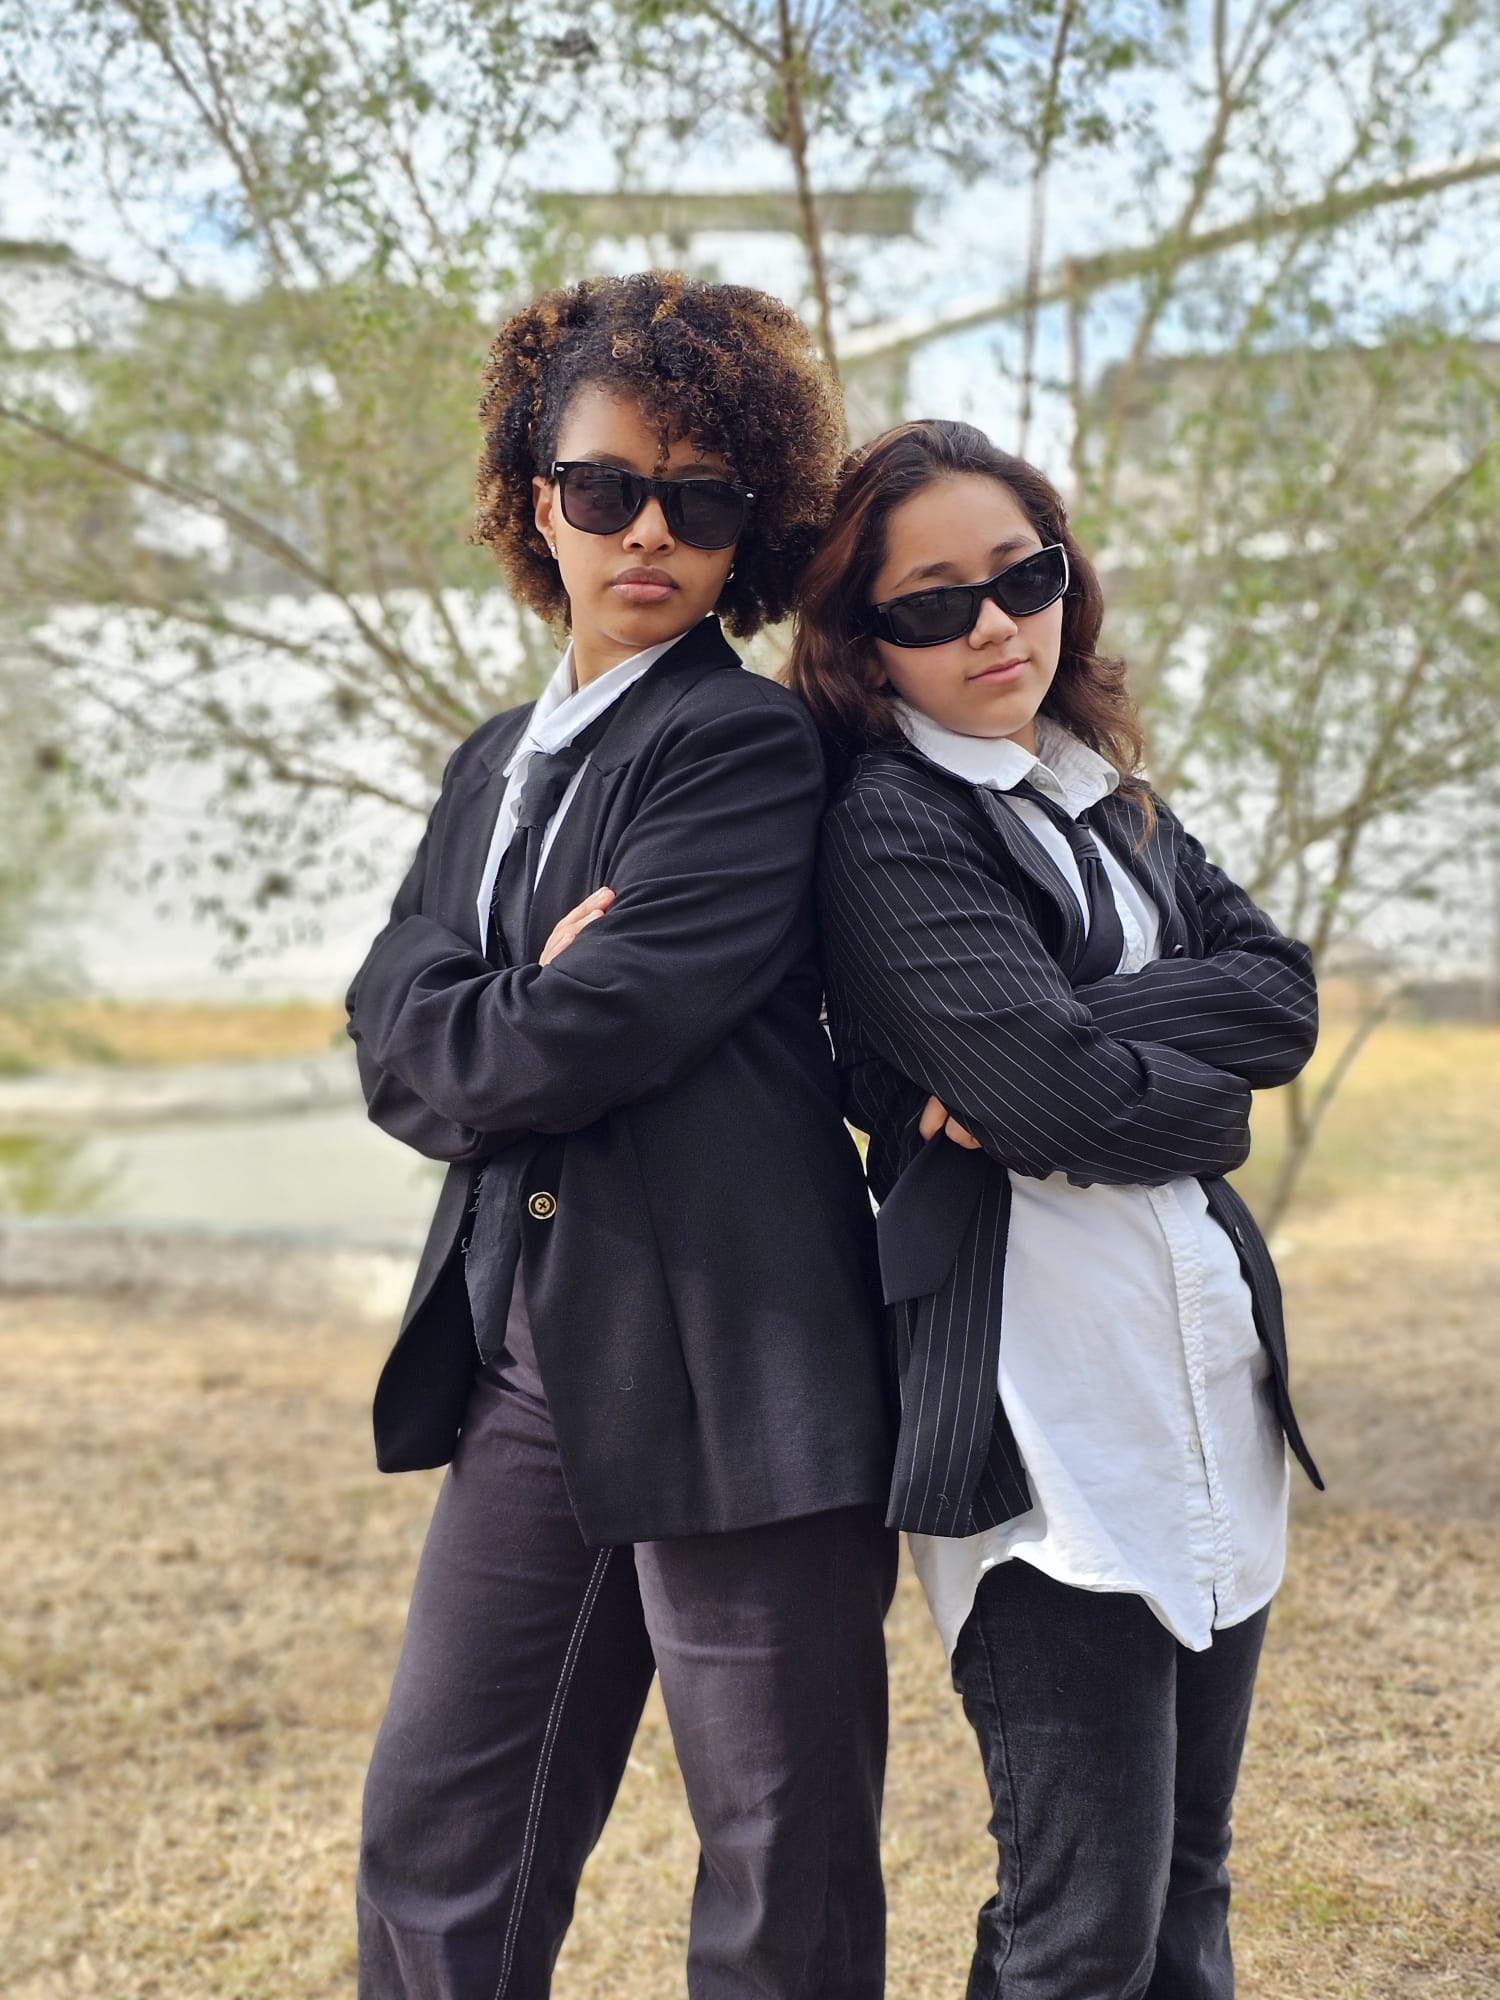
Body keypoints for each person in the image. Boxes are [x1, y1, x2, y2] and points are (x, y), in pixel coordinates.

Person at [345, 272, 897, 2000]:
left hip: (745, 1359)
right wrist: (492, 1004)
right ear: (539, 503)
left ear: (752, 529)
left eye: (701, 501)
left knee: (778, 1864)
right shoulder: (492, 759)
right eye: (606, 489)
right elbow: (389, 1038)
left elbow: (578, 1037)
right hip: (528, 1349)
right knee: (440, 1831)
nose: (650, 531)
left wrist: (481, 1004)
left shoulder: (741, 745)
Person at [786, 418, 1323, 2000]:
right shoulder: (891, 824)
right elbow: (1067, 1104)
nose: (993, 625)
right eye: (932, 602)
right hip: (1047, 1435)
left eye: (1022, 578)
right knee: (1079, 1927)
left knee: (1189, 1886)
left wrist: (1064, 1042)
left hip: (1206, 1401)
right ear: (864, 639)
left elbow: (1282, 997)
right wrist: (1176, 1095)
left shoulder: (1107, 797)